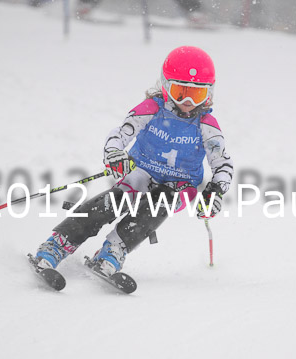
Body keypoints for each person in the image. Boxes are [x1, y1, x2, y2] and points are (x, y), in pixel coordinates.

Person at [32, 46, 233, 277]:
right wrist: (115, 153)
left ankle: (113, 251)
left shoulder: (207, 125)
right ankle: (57, 243)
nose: (187, 101)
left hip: (181, 186)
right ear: (166, 85)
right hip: (142, 172)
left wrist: (214, 191)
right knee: (113, 201)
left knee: (159, 205)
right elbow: (120, 134)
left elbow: (223, 164)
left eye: (196, 94)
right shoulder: (152, 109)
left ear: (209, 93)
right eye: (180, 92)